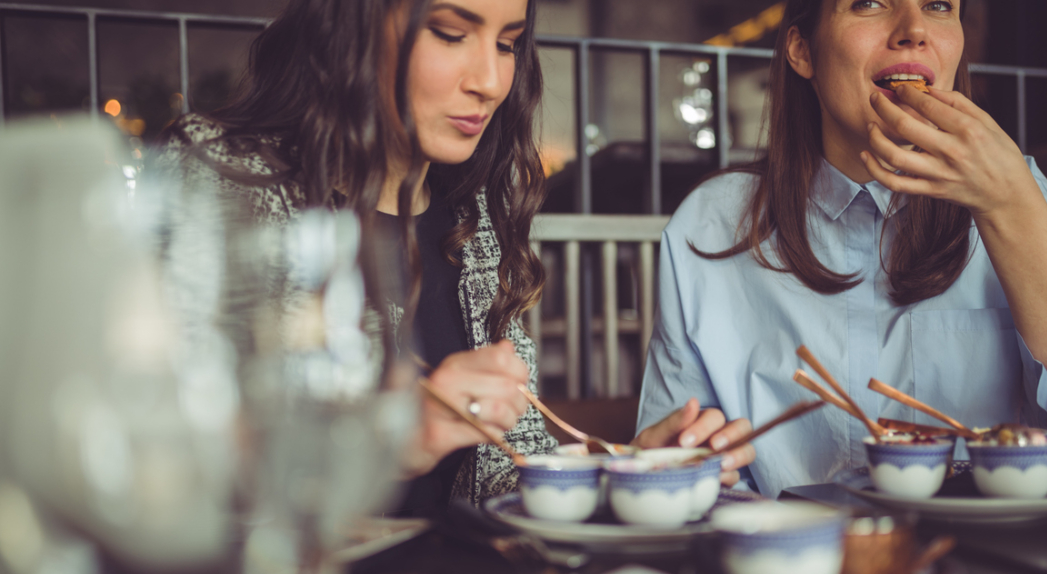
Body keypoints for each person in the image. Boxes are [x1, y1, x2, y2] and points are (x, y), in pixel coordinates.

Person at [157, 0, 756, 510]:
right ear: (353, 25)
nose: (491, 82)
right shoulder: (226, 181)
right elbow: (169, 463)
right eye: (450, 34)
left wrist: (624, 476)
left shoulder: (474, 217)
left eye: (508, 44)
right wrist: (384, 438)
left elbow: (504, 469)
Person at [637, 0, 1047, 497]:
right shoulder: (710, 224)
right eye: (868, 3)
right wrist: (683, 464)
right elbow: (681, 469)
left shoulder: (1019, 195)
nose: (914, 30)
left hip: (992, 563)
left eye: (940, 5)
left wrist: (1010, 209)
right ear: (802, 50)